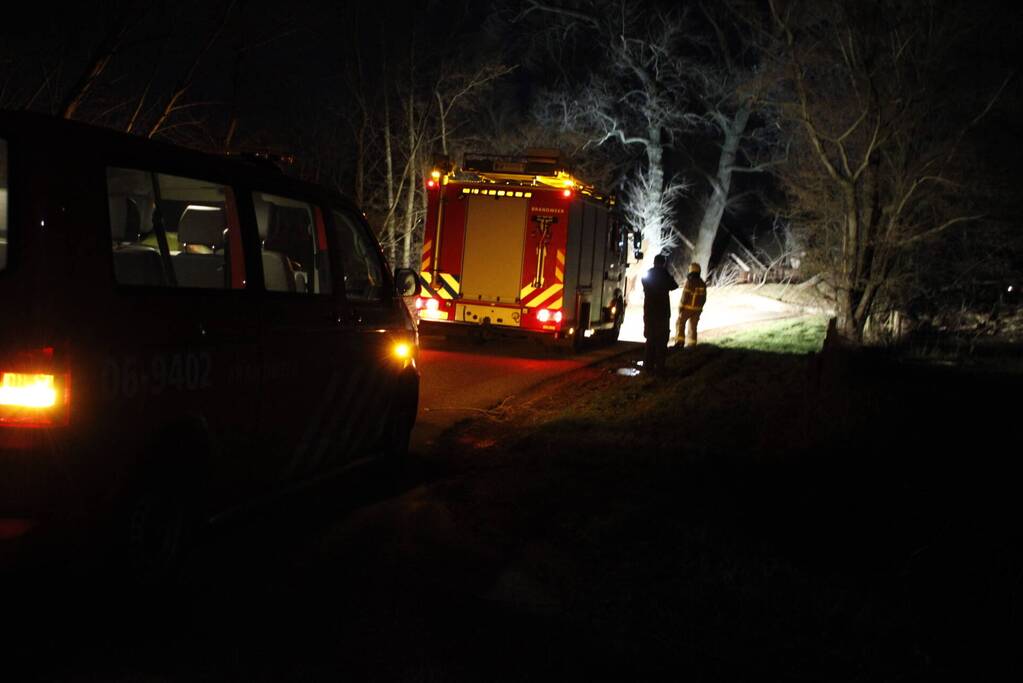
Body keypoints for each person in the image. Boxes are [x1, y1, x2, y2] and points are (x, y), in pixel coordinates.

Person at [642, 253, 678, 374]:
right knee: (661, 341)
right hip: (662, 313)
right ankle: (660, 366)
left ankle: (648, 366)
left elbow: (644, 283)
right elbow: (674, 285)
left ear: (654, 262)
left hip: (649, 312)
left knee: (650, 339)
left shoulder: (648, 274)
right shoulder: (665, 274)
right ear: (663, 263)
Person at [676, 262, 707, 347]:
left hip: (688, 308)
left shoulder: (689, 282)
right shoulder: (702, 283)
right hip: (698, 310)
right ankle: (692, 344)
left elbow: (684, 296)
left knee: (680, 323)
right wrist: (700, 307)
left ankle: (680, 343)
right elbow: (704, 298)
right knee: (693, 327)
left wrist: (681, 307)